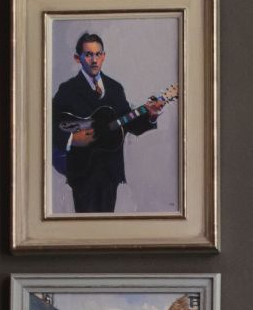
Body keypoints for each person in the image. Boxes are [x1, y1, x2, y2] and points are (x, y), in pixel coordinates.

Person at [50, 31, 167, 214]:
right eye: (88, 55)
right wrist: (72, 138)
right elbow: (49, 125)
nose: (94, 60)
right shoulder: (68, 90)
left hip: (110, 172)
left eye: (98, 54)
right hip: (82, 171)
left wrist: (151, 115)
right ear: (77, 58)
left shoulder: (115, 88)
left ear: (103, 56)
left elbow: (128, 124)